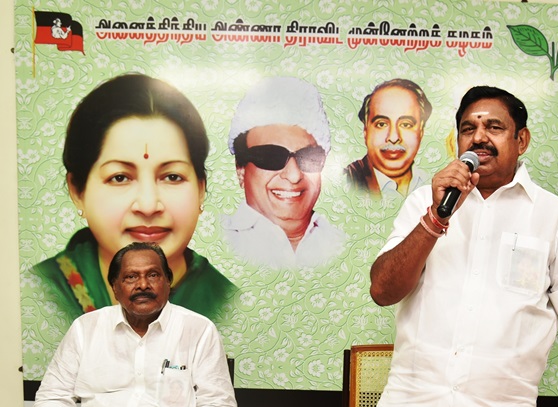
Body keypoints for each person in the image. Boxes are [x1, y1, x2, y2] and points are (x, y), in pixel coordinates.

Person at [370, 86, 558, 407]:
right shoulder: (424, 202)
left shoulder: (556, 216)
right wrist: (435, 219)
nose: (479, 137)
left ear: (522, 140)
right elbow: (382, 291)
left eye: (494, 127)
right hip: (411, 400)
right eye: (468, 129)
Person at [29, 74, 236, 326]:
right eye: (120, 178)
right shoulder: (40, 292)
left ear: (201, 189)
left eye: (172, 176)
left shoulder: (227, 301)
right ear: (77, 191)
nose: (148, 206)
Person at [35, 242, 237, 407]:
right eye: (131, 277)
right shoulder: (85, 328)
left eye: (153, 275)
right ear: (115, 287)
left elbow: (218, 402)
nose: (143, 285)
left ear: (168, 282)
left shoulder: (199, 330)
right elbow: (52, 397)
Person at [222, 76, 346, 268]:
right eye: (271, 156)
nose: (294, 176)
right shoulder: (221, 243)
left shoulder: (342, 245)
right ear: (241, 170)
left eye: (308, 157)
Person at [345, 78, 432, 198]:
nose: (393, 137)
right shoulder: (347, 181)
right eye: (381, 124)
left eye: (405, 125)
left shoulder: (432, 183)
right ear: (365, 130)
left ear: (421, 131)